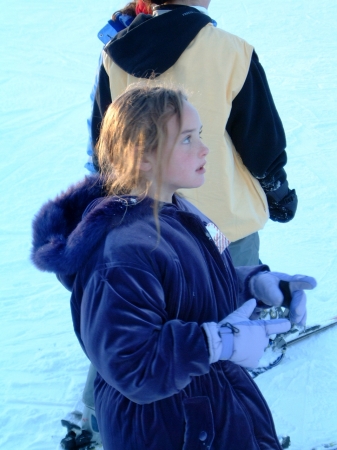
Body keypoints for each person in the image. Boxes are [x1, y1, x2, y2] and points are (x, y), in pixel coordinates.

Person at [31, 85, 316, 449]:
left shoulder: (175, 209)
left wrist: (254, 286)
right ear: (143, 155)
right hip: (167, 428)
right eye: (186, 139)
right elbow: (132, 363)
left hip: (204, 404)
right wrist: (219, 343)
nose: (204, 148)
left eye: (199, 135)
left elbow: (192, 290)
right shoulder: (123, 251)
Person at [90, 0, 298, 267]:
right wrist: (278, 190)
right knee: (237, 299)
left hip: (149, 227)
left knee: (169, 305)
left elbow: (106, 146)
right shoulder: (231, 51)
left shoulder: (115, 54)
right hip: (223, 223)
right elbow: (260, 142)